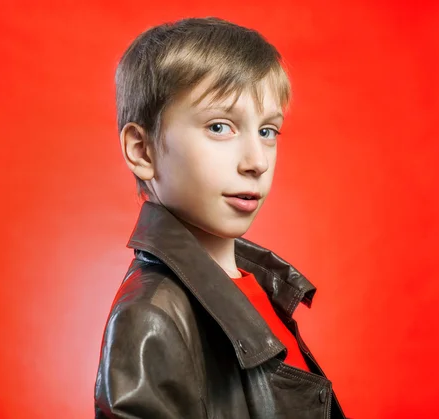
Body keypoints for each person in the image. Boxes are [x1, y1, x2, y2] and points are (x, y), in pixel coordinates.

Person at [94, 17, 347, 419]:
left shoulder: (260, 287)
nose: (257, 162)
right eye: (219, 126)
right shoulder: (152, 316)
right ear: (142, 151)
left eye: (267, 131)